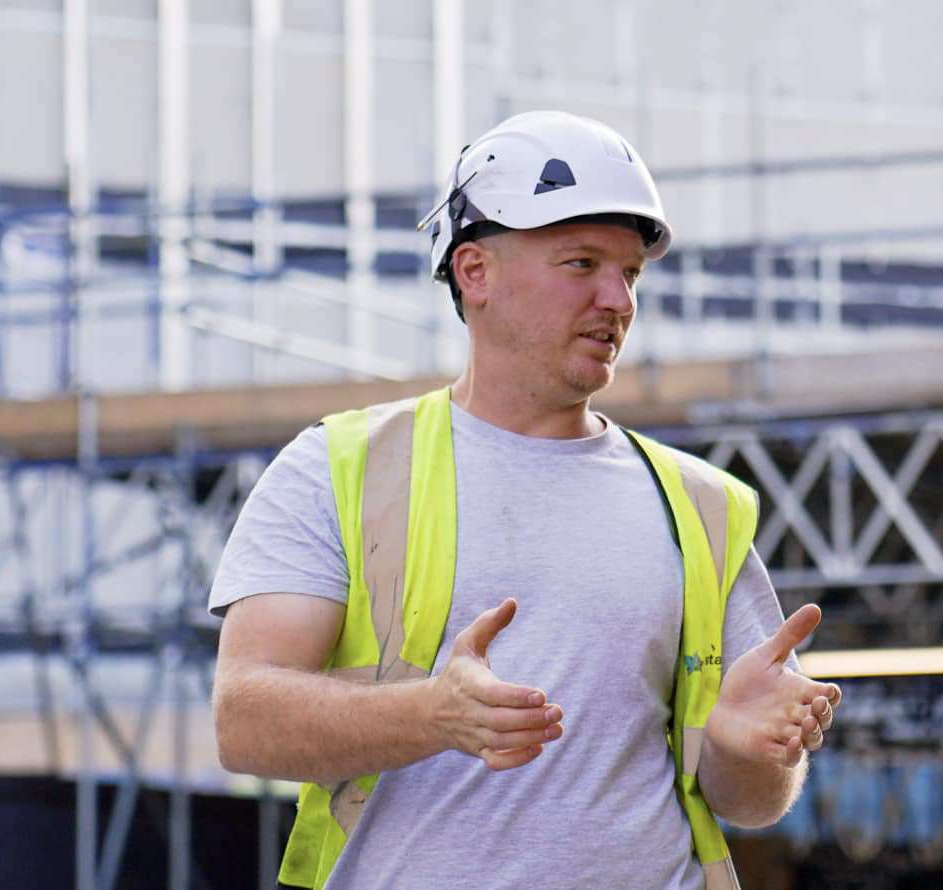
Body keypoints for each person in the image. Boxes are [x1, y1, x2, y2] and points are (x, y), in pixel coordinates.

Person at [208, 110, 841, 890]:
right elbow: (244, 723)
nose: (618, 300)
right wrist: (432, 714)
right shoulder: (340, 469)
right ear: (475, 273)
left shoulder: (700, 506)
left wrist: (750, 755)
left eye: (631, 273)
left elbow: (746, 803)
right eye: (581, 264)